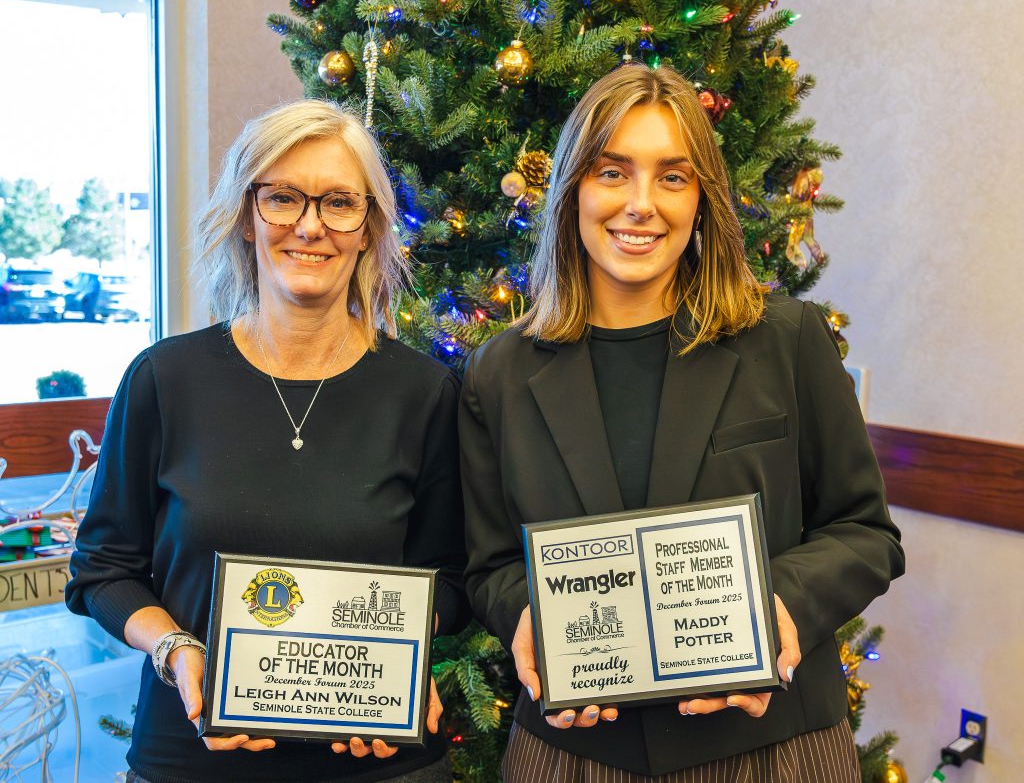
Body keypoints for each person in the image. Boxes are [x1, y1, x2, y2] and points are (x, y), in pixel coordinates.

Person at [460, 65, 905, 781]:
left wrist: (781, 606)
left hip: (774, 750)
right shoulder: (499, 372)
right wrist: (533, 621)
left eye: (672, 177)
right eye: (613, 172)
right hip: (575, 753)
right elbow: (489, 567)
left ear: (702, 200)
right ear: (573, 188)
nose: (641, 204)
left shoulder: (785, 339)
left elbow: (865, 531)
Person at [66, 99, 468, 783]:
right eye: (283, 197)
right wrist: (175, 650)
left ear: (368, 227)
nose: (309, 225)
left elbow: (454, 579)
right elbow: (103, 569)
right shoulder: (165, 378)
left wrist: (387, 668)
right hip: (190, 757)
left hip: (373, 761)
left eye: (339, 202)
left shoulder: (425, 393)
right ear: (248, 217)